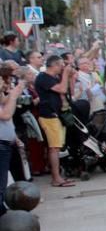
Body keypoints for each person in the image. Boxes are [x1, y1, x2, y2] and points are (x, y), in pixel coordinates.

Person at [35, 55, 75, 186]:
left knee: (57, 147)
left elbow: (67, 91)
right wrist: (65, 75)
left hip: (57, 115)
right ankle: (56, 178)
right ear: (55, 65)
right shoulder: (43, 78)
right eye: (61, 65)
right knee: (54, 148)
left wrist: (70, 77)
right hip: (49, 116)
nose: (63, 67)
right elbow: (62, 89)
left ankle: (58, 176)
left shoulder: (54, 78)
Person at [0, 72, 28, 211]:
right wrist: (14, 96)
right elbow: (5, 115)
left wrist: (14, 91)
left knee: (5, 181)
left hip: (6, 142)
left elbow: (4, 102)